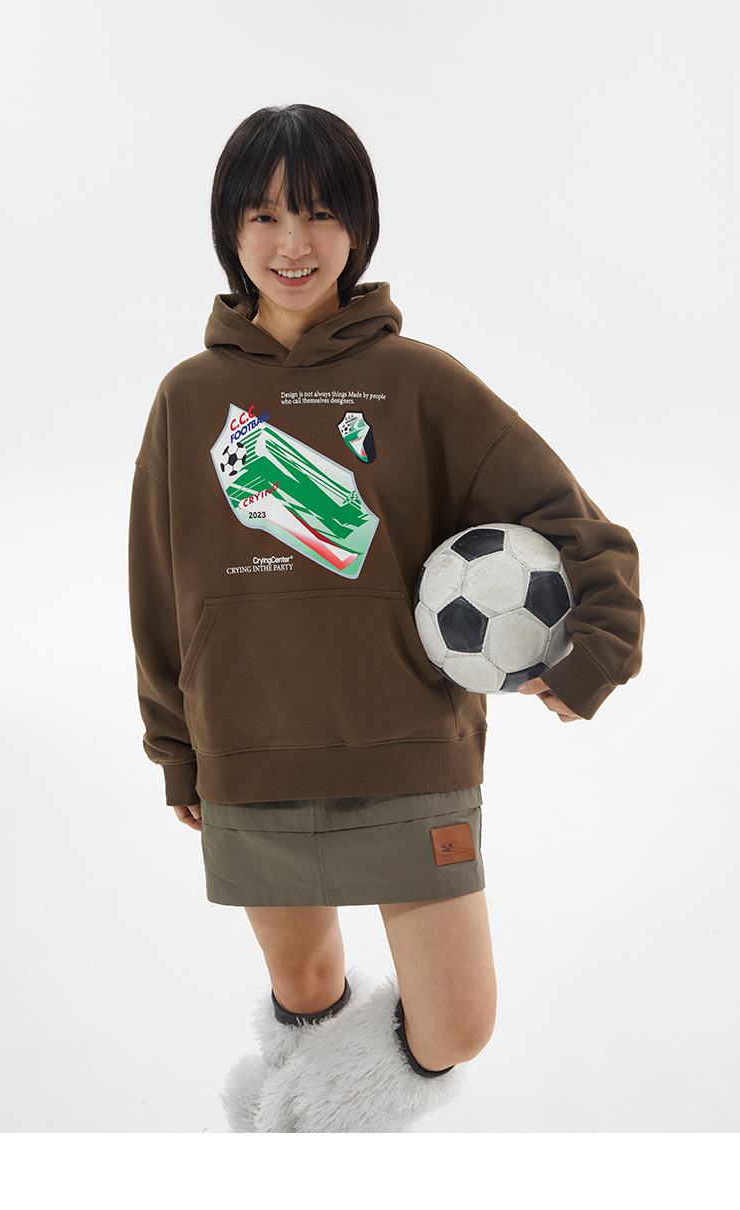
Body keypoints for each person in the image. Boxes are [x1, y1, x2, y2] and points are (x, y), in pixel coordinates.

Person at [128, 104, 644, 1133]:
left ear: (359, 226)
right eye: (265, 215)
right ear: (230, 229)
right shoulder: (189, 398)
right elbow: (156, 590)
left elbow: (575, 522)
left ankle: (299, 1125)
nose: (293, 243)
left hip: (411, 756)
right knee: (306, 987)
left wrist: (593, 654)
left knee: (457, 1024)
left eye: (321, 213)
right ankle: (309, 1150)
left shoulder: (420, 383)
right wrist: (178, 754)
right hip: (252, 755)